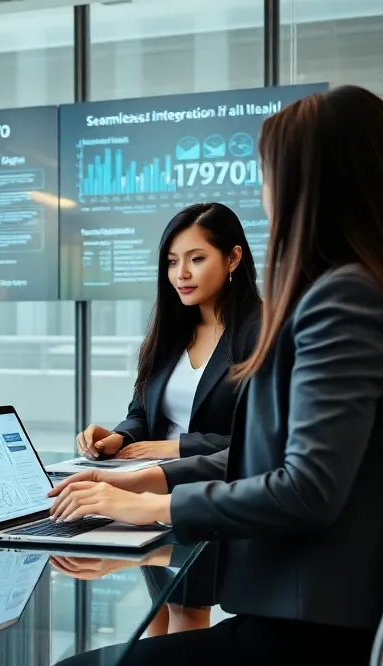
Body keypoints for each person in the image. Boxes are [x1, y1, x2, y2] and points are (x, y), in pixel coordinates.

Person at [44, 85, 383, 666]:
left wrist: (155, 508)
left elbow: (305, 489)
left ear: (313, 182)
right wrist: (145, 498)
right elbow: (267, 461)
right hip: (327, 638)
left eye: (270, 174)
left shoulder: (342, 300)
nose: (266, 193)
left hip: (308, 662)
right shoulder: (378, 292)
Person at [76, 202, 262, 636]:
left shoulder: (260, 330)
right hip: (149, 492)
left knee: (186, 613)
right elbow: (142, 412)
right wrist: (119, 438)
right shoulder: (173, 329)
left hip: (209, 494)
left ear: (233, 258)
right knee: (156, 613)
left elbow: (258, 440)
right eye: (172, 262)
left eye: (197, 259)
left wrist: (177, 447)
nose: (182, 273)